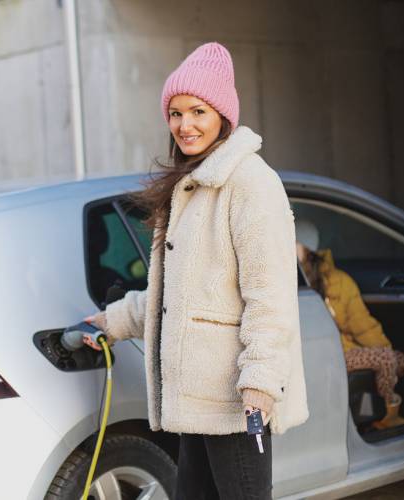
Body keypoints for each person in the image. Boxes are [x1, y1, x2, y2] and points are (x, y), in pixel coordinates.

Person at [82, 42, 308, 499]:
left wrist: (259, 384)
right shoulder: (192, 185)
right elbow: (179, 295)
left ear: (223, 115)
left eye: (198, 111)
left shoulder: (250, 182)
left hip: (236, 401)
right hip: (194, 399)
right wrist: (115, 321)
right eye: (176, 113)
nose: (185, 125)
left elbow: (271, 297)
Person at [294, 219, 404, 430]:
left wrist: (384, 349)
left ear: (309, 248)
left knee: (399, 360)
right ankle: (388, 415)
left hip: (343, 351)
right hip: (319, 355)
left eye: (294, 242)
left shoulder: (340, 282)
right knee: (387, 359)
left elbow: (363, 325)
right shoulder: (282, 279)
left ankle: (373, 414)